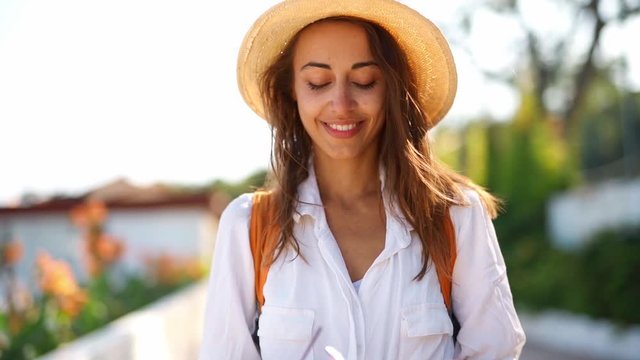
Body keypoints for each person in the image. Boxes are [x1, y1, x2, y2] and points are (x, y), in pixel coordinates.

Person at [199, 0, 526, 359]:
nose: (341, 104)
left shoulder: (456, 217)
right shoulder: (248, 228)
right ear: (292, 90)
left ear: (392, 88)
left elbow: (495, 350)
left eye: (364, 81)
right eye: (318, 82)